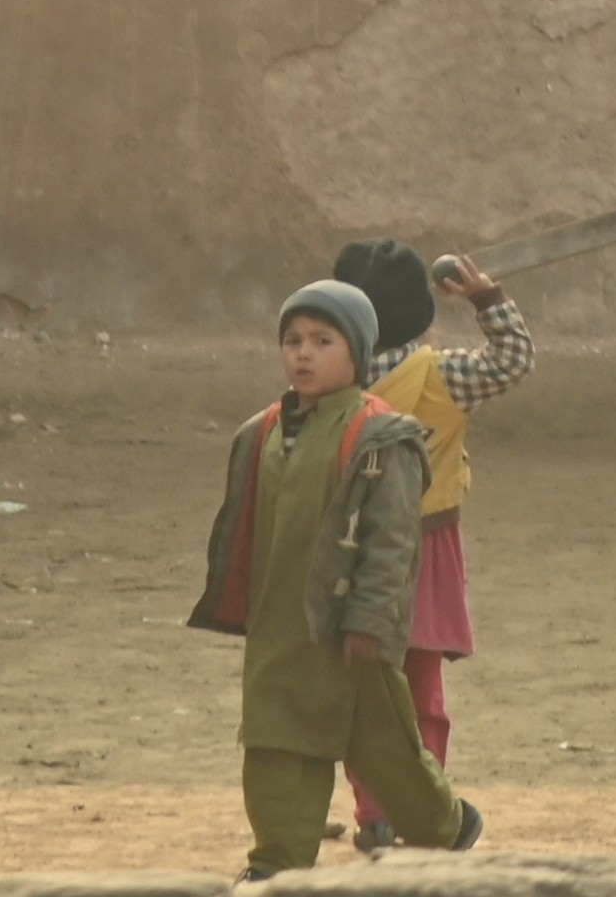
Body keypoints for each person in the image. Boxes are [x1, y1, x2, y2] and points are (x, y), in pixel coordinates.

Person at [187, 276, 477, 870]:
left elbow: (392, 544)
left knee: (385, 749)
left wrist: (370, 622)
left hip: (349, 630)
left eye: (323, 340)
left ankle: (447, 826)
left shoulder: (382, 436)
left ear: (359, 354)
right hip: (279, 625)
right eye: (292, 340)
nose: (303, 353)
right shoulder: (261, 432)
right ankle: (278, 859)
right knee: (273, 740)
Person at [326, 236, 527, 843]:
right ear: (420, 310)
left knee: (365, 691)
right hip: (429, 549)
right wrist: (487, 298)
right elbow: (513, 358)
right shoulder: (444, 377)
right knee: (423, 693)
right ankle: (427, 809)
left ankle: (375, 815)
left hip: (354, 552)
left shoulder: (333, 382)